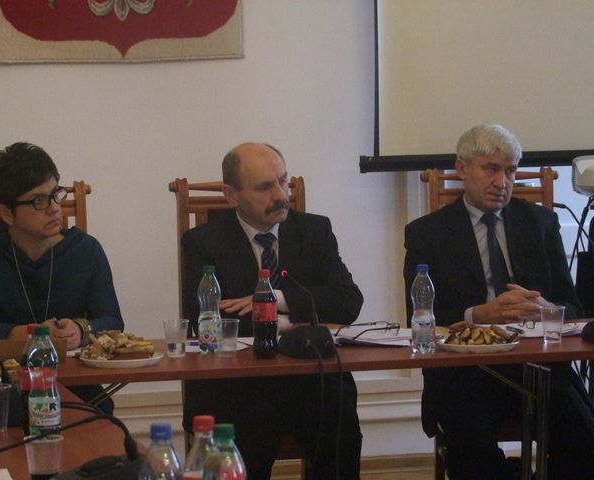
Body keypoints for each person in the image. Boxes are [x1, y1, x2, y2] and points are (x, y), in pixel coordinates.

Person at [404, 124, 594, 479]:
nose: (502, 182)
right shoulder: (427, 234)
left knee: (584, 437)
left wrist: (547, 309)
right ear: (462, 169)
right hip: (468, 375)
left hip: (538, 369)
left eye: (510, 171)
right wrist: (478, 314)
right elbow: (420, 316)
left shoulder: (540, 223)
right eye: (491, 169)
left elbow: (574, 308)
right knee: (472, 452)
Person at [181, 142, 363, 480]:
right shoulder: (203, 242)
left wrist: (274, 301)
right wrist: (301, 320)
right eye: (265, 187)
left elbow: (348, 302)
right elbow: (210, 322)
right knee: (244, 430)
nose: (281, 195)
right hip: (238, 383)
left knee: (339, 414)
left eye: (283, 181)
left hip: (308, 378)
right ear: (231, 195)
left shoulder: (315, 231)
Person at [0, 142, 123, 413]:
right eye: (39, 201)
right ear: (6, 213)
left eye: (56, 194)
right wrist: (26, 334)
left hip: (77, 393)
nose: (54, 208)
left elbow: (112, 320)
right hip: (2, 396)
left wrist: (80, 329)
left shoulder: (86, 250)